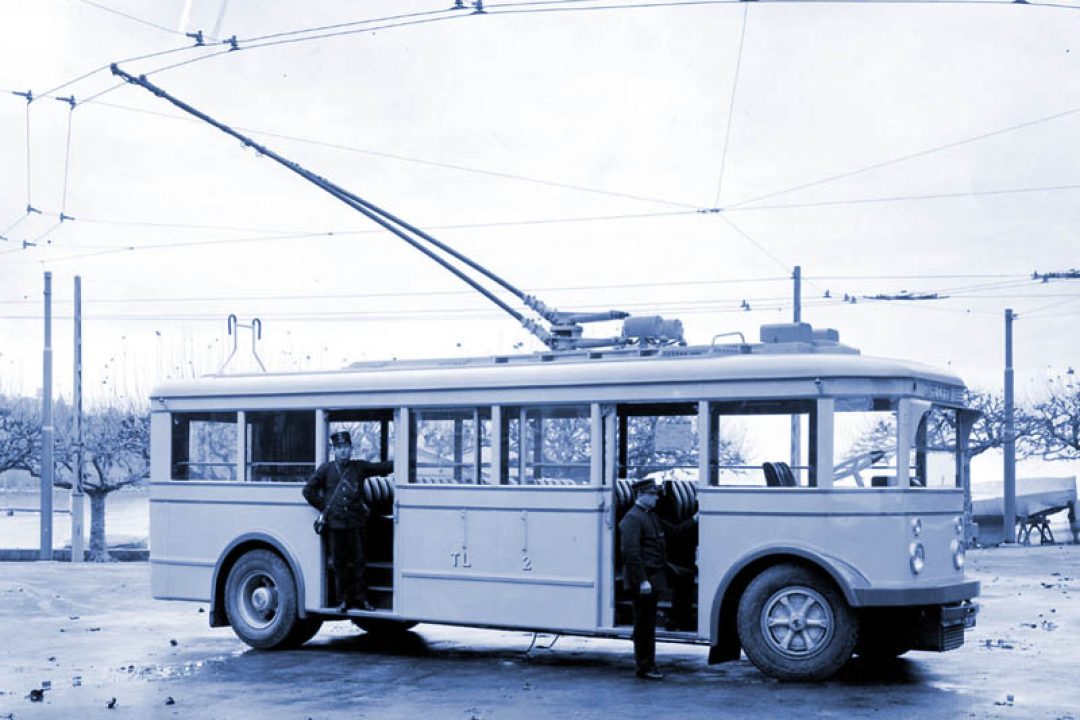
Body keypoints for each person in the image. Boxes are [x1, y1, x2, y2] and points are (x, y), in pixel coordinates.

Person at [303, 430, 393, 612]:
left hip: (356, 523)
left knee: (359, 562)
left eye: (346, 447)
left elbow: (380, 468)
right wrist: (325, 506)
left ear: (351, 448)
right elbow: (308, 490)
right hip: (335, 525)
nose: (344, 451)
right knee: (340, 565)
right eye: (340, 448)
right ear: (334, 450)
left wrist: (400, 461)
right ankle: (344, 600)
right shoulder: (326, 469)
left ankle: (361, 599)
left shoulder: (358, 467)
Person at [619, 477, 697, 680]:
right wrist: (642, 581)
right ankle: (645, 667)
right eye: (652, 495)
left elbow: (674, 532)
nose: (656, 499)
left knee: (685, 579)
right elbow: (631, 554)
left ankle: (679, 618)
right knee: (644, 625)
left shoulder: (649, 516)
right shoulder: (632, 519)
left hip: (657, 571)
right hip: (644, 578)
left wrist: (695, 519)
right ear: (640, 495)